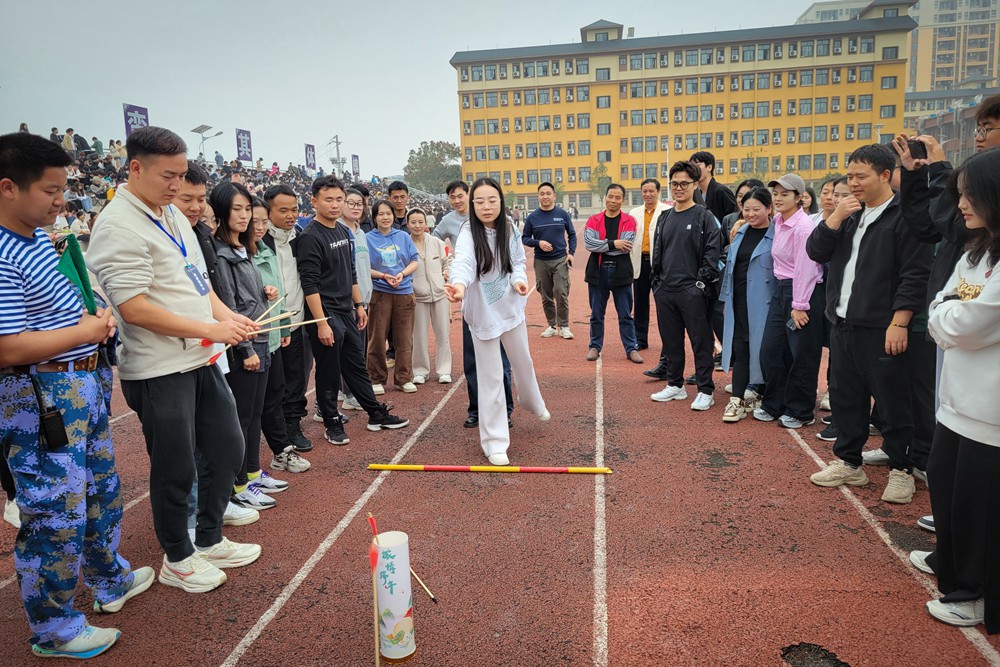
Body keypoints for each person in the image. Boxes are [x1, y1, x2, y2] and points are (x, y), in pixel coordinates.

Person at [87, 127, 262, 596]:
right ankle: (178, 558)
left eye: (182, 175)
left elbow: (198, 284)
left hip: (199, 359)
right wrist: (214, 330)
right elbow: (135, 307)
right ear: (136, 169)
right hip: (160, 369)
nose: (176, 186)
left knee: (227, 446)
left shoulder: (170, 215)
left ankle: (209, 537)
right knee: (175, 467)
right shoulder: (118, 225)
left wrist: (233, 322)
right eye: (168, 176)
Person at [0, 132, 153, 660]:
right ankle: (55, 627)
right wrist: (85, 332)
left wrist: (89, 326)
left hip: (81, 384)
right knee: (55, 510)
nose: (61, 199)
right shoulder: (1, 252)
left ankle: (107, 577)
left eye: (63, 187)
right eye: (50, 189)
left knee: (100, 490)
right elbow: (5, 345)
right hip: (40, 398)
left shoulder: (38, 239)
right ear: (7, 188)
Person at [806, 144, 933, 504]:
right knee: (847, 398)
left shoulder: (904, 216)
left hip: (883, 327)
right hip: (844, 323)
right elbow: (816, 251)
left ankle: (902, 469)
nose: (853, 183)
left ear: (885, 175)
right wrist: (834, 217)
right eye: (849, 176)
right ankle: (849, 462)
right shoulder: (851, 214)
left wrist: (900, 321)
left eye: (860, 176)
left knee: (894, 402)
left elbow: (915, 273)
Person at [921, 148, 1000, 630]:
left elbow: (965, 323)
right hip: (955, 401)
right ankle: (949, 567)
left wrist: (944, 314)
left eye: (969, 194)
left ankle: (974, 594)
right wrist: (945, 314)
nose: (961, 204)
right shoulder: (978, 249)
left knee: (980, 508)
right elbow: (944, 301)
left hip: (990, 412)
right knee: (948, 491)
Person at [173, 163, 260, 529]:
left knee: (217, 437)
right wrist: (230, 331)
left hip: (211, 348)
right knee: (192, 444)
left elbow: (208, 292)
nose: (195, 207)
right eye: (186, 199)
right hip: (178, 357)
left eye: (200, 199)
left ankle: (216, 503)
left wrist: (230, 323)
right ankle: (191, 526)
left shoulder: (197, 237)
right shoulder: (186, 237)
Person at [295, 175, 409, 445]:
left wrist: (359, 305)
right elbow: (309, 284)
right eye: (329, 199)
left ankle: (375, 413)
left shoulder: (343, 231)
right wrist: (321, 322)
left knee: (356, 365)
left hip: (347, 309)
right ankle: (331, 420)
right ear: (314, 201)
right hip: (325, 313)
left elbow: (352, 275)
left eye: (339, 200)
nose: (335, 205)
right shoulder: (310, 237)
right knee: (328, 370)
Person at [444, 177, 549, 465]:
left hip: (510, 305)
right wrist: (459, 286)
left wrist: (519, 281)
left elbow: (517, 263)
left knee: (523, 361)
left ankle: (532, 400)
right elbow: (463, 262)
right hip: (483, 313)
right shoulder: (468, 232)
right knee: (490, 378)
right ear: (471, 204)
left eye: (491, 200)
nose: (486, 206)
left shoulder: (510, 228)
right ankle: (494, 442)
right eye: (479, 202)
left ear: (501, 201)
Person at [434, 180, 514, 429]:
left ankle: (505, 409)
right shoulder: (452, 223)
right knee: (472, 358)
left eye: (462, 196)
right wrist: (452, 268)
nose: (458, 201)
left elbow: (515, 260)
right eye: (452, 197)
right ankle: (476, 409)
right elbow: (436, 241)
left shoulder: (503, 224)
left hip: (498, 297)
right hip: (470, 294)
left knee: (501, 357)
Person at [649, 161, 723, 410]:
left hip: (692, 291)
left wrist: (700, 284)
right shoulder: (665, 217)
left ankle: (705, 389)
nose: (678, 188)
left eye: (684, 183)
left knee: (700, 342)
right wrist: (657, 283)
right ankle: (675, 385)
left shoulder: (704, 216)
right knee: (670, 342)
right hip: (665, 290)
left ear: (694, 185)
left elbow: (713, 252)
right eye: (674, 184)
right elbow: (659, 250)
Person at [754, 174, 825, 429]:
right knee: (771, 350)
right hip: (781, 290)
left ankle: (801, 410)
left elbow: (807, 268)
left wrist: (800, 305)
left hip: (802, 293)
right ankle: (775, 403)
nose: (779, 198)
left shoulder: (804, 227)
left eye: (785, 194)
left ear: (799, 198)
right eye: (776, 193)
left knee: (802, 355)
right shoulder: (779, 221)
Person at [250, 198, 310, 475]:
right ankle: (248, 470)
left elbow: (289, 283)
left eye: (294, 210)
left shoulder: (293, 239)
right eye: (256, 220)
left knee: (291, 381)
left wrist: (286, 322)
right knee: (259, 401)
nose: (259, 226)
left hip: (286, 325)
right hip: (253, 337)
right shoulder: (239, 250)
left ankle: (287, 436)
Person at [261, 184, 313, 452]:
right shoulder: (258, 242)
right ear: (268, 211)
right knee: (273, 383)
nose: (291, 215)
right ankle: (275, 430)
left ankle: (293, 424)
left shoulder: (300, 236)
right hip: (269, 325)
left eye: (294, 209)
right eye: (283, 210)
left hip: (297, 320)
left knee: (297, 377)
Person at [719, 187, 775, 422]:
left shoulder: (777, 235)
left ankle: (760, 393)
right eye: (746, 208)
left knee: (764, 350)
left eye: (757, 209)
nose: (750, 214)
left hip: (766, 304)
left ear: (769, 209)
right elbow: (731, 267)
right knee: (741, 347)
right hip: (739, 300)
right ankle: (738, 400)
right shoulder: (740, 231)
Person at [584, 184, 642, 363]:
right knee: (596, 314)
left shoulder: (629, 221)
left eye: (618, 198)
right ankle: (595, 346)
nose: (613, 201)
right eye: (610, 196)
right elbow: (589, 244)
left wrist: (604, 245)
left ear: (622, 200)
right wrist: (613, 243)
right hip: (597, 272)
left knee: (625, 314)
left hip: (621, 272)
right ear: (605, 197)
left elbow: (625, 247)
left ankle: (631, 348)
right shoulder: (594, 220)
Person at [366, 199, 419, 394]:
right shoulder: (367, 238)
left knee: (404, 338)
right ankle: (376, 378)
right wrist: (383, 276)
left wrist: (402, 274)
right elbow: (364, 267)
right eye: (381, 214)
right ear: (374, 217)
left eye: (388, 213)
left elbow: (414, 261)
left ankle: (403, 378)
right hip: (380, 292)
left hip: (404, 292)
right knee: (377, 338)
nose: (385, 217)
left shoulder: (403, 237)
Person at [522, 181, 577, 339]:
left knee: (560, 291)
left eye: (548, 193)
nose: (545, 196)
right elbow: (525, 238)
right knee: (545, 294)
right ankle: (552, 325)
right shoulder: (532, 217)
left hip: (560, 259)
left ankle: (564, 326)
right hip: (541, 261)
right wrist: (538, 243)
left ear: (554, 196)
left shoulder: (562, 214)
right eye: (542, 194)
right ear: (538, 196)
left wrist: (571, 253)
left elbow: (572, 235)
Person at [337, 187, 375, 412]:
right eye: (350, 203)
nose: (355, 207)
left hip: (364, 300)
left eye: (359, 204)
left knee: (359, 349)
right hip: (348, 302)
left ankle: (347, 390)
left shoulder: (361, 233)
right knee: (352, 352)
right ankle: (350, 394)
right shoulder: (338, 231)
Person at [408, 208, 452, 384]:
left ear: (426, 223)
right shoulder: (406, 244)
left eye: (420, 222)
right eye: (413, 222)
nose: (417, 226)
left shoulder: (436, 242)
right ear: (407, 224)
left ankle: (444, 370)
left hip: (440, 294)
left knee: (443, 334)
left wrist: (447, 272)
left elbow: (448, 261)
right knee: (418, 336)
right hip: (418, 297)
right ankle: (420, 371)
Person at [628, 178, 671, 353]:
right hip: (640, 262)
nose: (647, 194)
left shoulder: (668, 211)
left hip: (660, 264)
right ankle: (640, 339)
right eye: (644, 191)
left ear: (658, 192)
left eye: (651, 191)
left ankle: (667, 340)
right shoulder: (634, 212)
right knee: (640, 303)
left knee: (664, 304)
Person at [689, 151, 738, 225]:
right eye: (692, 167)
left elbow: (734, 218)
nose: (694, 170)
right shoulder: (697, 194)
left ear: (709, 167)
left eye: (698, 166)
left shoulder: (721, 191)